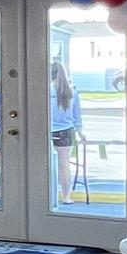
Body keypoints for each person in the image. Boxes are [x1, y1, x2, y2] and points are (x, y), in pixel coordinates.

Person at [49, 60, 82, 204]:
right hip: (66, 131)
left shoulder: (45, 90)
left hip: (47, 130)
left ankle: (47, 195)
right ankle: (66, 196)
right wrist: (80, 131)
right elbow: (77, 115)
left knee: (44, 164)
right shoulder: (71, 91)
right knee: (64, 165)